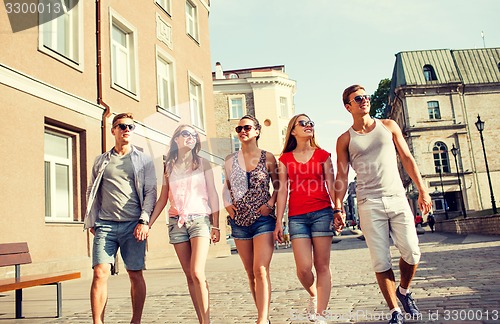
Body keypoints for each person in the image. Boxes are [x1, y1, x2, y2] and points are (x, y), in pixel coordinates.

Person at [334, 85, 432, 324]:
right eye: (358, 98)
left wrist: (422, 190)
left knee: (412, 251)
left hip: (397, 196)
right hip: (368, 202)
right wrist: (338, 206)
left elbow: (407, 157)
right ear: (348, 106)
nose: (364, 100)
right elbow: (342, 175)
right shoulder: (345, 139)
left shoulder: (388, 126)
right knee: (381, 260)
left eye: (365, 96)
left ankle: (404, 291)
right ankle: (394, 310)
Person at [84, 112, 157, 324]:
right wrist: (92, 219)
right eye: (122, 126)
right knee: (100, 273)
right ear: (113, 130)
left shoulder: (143, 160)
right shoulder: (102, 160)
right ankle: (98, 322)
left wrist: (144, 221)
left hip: (133, 225)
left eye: (130, 127)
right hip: (105, 225)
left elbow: (151, 192)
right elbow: (92, 189)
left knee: (135, 274)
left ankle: (136, 320)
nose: (126, 129)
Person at [274, 114, 345, 323]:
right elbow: (282, 191)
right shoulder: (285, 159)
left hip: (322, 213)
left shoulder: (323, 155)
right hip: (297, 217)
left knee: (322, 266)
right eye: (303, 123)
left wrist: (338, 209)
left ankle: (321, 314)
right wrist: (280, 221)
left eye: (311, 123)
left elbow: (332, 185)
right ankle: (313, 294)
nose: (308, 126)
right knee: (303, 268)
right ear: (293, 131)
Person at [148, 125, 220, 324]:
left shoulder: (202, 163)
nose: (191, 137)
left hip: (200, 220)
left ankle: (206, 321)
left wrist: (216, 225)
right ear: (176, 139)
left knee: (197, 272)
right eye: (186, 134)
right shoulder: (168, 166)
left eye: (194, 135)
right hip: (176, 223)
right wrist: (148, 223)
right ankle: (202, 320)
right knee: (189, 276)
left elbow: (213, 194)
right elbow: (163, 199)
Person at [223, 115, 279, 324]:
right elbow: (226, 187)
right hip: (239, 221)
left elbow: (279, 186)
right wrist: (228, 205)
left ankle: (262, 319)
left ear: (256, 131)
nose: (242, 131)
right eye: (239, 128)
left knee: (260, 269)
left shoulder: (269, 157)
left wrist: (271, 204)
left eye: (246, 127)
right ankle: (262, 314)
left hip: (263, 220)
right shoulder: (229, 160)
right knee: (250, 272)